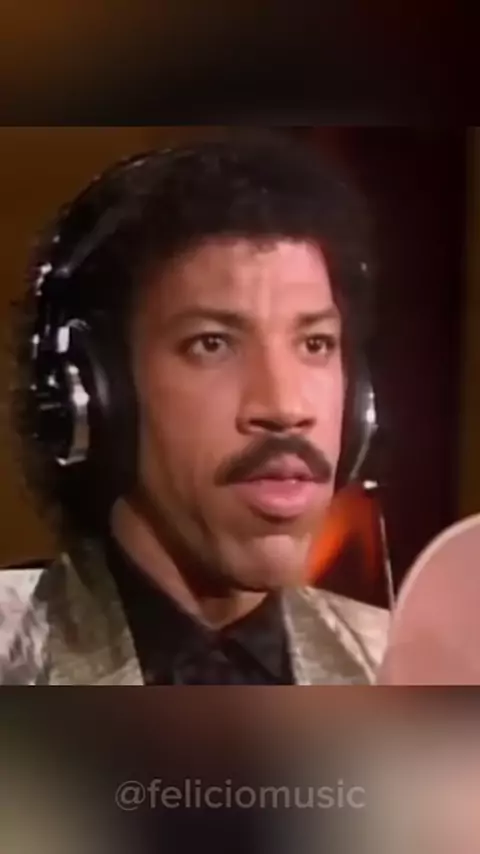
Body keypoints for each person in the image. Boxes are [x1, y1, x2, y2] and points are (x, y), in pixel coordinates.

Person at [0, 131, 388, 684]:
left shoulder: (413, 664)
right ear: (92, 393)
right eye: (212, 344)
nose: (284, 407)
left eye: (315, 343)